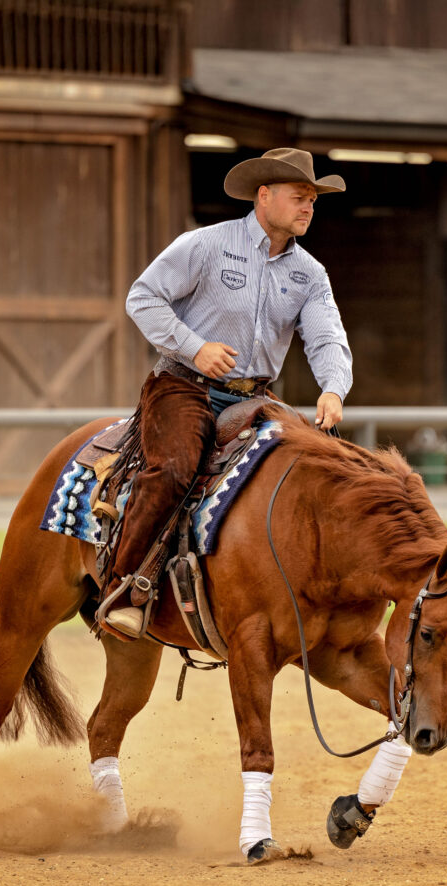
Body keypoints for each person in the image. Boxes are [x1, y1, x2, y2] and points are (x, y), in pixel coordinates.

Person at [101, 147, 353, 637]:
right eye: (300, 198)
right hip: (182, 384)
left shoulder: (310, 274)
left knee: (319, 465)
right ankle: (126, 587)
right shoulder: (207, 245)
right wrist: (195, 348)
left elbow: (326, 338)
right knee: (174, 468)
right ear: (264, 196)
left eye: (313, 201)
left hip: (255, 396)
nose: (308, 208)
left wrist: (333, 389)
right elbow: (142, 297)